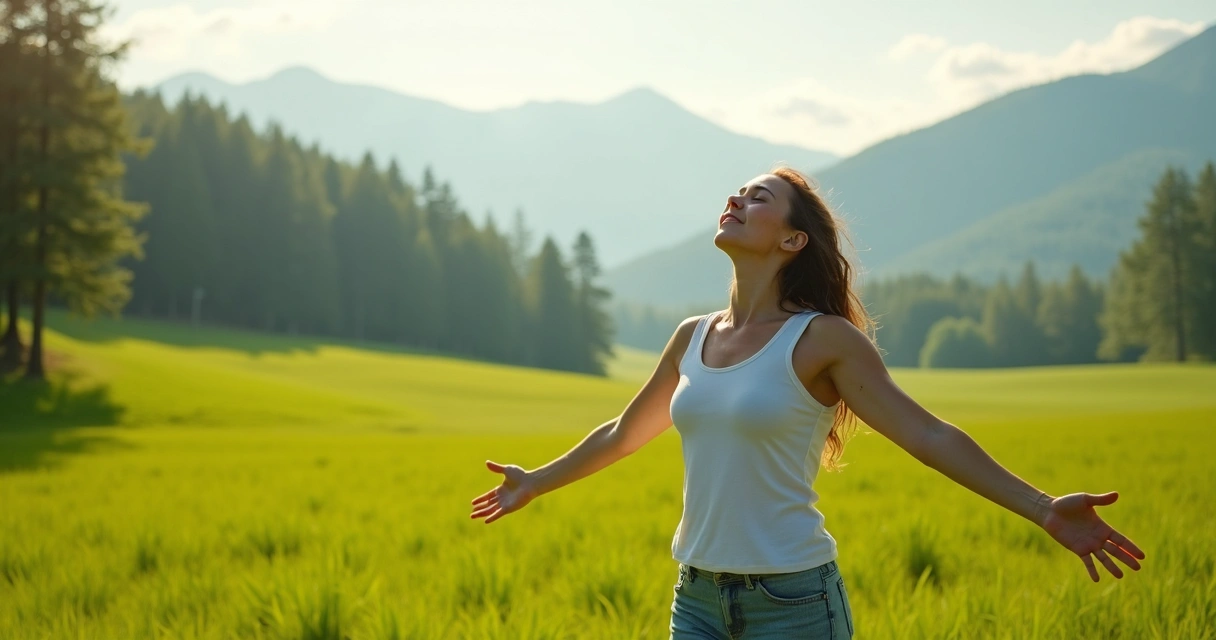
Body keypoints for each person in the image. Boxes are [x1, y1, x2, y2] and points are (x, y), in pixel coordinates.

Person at [469, 167, 1145, 639]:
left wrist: (1041, 507)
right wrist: (536, 482)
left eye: (757, 197)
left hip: (791, 602)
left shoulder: (825, 341)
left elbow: (929, 435)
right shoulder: (692, 336)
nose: (735, 198)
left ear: (793, 240)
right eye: (736, 191)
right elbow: (623, 433)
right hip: (696, 597)